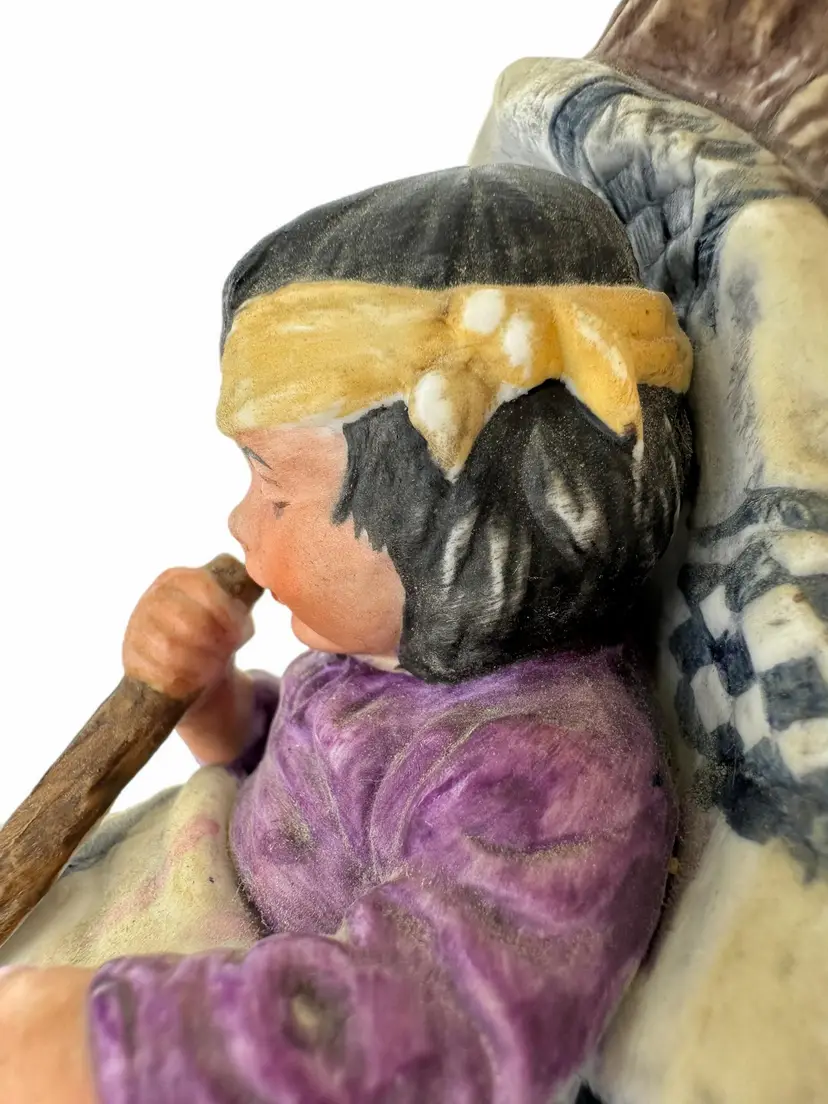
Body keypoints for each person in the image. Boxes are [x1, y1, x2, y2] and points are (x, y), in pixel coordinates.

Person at [0, 164, 692, 1103]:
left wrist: (117, 1047)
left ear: (447, 524)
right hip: (165, 891)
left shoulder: (546, 773)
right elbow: (321, 788)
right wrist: (216, 706)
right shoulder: (393, 665)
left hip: (222, 1030)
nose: (239, 524)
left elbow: (440, 1020)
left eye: (276, 491)